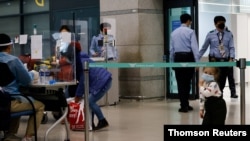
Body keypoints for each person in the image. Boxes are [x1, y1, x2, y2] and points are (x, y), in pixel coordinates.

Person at [0, 33, 45, 141]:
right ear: (9, 46)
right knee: (39, 106)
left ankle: (10, 134)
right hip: (8, 101)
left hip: (3, 99)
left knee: (20, 100)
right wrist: (32, 73)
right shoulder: (13, 61)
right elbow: (26, 80)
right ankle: (28, 137)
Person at [199, 16, 238, 98]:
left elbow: (231, 47)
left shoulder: (229, 34)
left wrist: (231, 58)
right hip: (214, 60)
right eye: (219, 23)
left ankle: (221, 93)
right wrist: (197, 58)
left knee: (224, 79)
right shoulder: (210, 34)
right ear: (215, 24)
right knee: (215, 79)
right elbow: (204, 48)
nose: (222, 25)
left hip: (226, 60)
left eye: (223, 23)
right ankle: (217, 96)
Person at [169, 13, 200, 113]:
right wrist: (197, 63)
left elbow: (171, 50)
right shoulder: (191, 32)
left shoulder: (173, 33)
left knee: (180, 82)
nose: (190, 23)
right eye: (190, 21)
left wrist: (172, 62)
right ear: (188, 21)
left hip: (178, 58)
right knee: (187, 82)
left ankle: (184, 105)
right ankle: (185, 104)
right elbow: (194, 48)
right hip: (188, 57)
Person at [74, 52, 112, 130]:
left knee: (89, 101)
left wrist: (78, 95)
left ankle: (102, 121)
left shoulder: (79, 64)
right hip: (104, 79)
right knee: (90, 101)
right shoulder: (83, 59)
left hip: (102, 82)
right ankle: (91, 123)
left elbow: (83, 81)